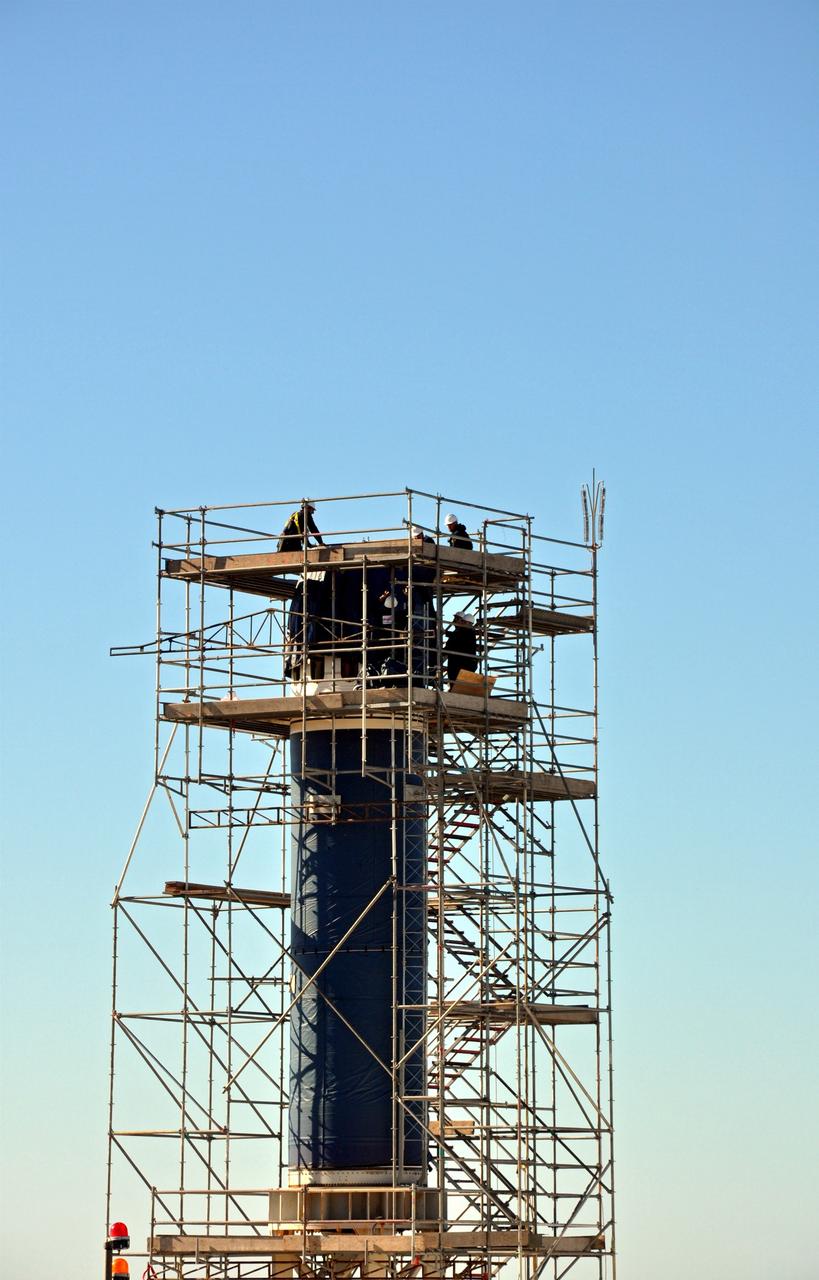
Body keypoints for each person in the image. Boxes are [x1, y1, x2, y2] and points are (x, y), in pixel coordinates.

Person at [443, 612, 478, 686]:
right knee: (455, 682)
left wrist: (446, 633)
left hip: (462, 663)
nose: (462, 623)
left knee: (458, 683)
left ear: (469, 623)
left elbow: (457, 638)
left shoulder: (468, 632)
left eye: (463, 622)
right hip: (458, 661)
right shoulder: (463, 632)